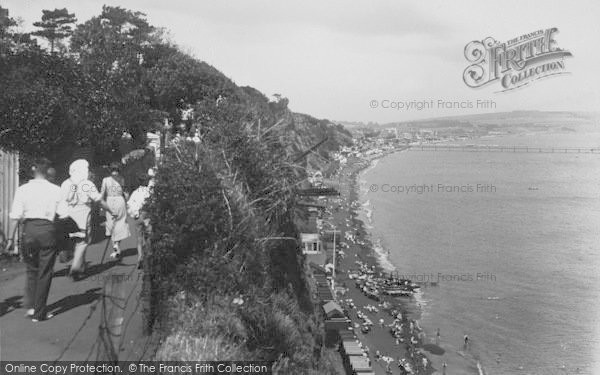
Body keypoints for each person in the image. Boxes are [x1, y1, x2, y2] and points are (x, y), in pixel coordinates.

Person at [5, 158, 64, 321]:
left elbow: (15, 216)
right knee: (45, 272)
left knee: (31, 269)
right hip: (47, 230)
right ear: (47, 172)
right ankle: (39, 313)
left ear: (33, 170)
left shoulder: (23, 189)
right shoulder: (55, 190)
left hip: (28, 231)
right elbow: (63, 213)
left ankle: (31, 307)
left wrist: (10, 238)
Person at [60, 159, 114, 280]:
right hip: (83, 215)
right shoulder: (86, 184)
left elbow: (62, 200)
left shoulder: (66, 183)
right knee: (82, 242)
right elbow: (98, 200)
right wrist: (110, 210)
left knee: (74, 240)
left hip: (68, 217)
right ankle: (75, 267)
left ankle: (81, 267)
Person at [101, 162, 131, 259]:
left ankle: (115, 247)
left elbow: (102, 194)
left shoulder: (105, 180)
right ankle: (117, 244)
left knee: (111, 224)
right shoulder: (121, 179)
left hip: (109, 201)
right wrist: (127, 202)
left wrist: (102, 205)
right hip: (119, 201)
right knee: (120, 223)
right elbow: (126, 194)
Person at [127, 168, 155, 268]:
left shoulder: (135, 193)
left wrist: (134, 214)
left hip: (137, 217)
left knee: (139, 238)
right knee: (149, 236)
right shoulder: (149, 192)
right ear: (146, 181)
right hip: (146, 215)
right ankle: (148, 255)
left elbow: (129, 205)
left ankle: (140, 257)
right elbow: (152, 203)